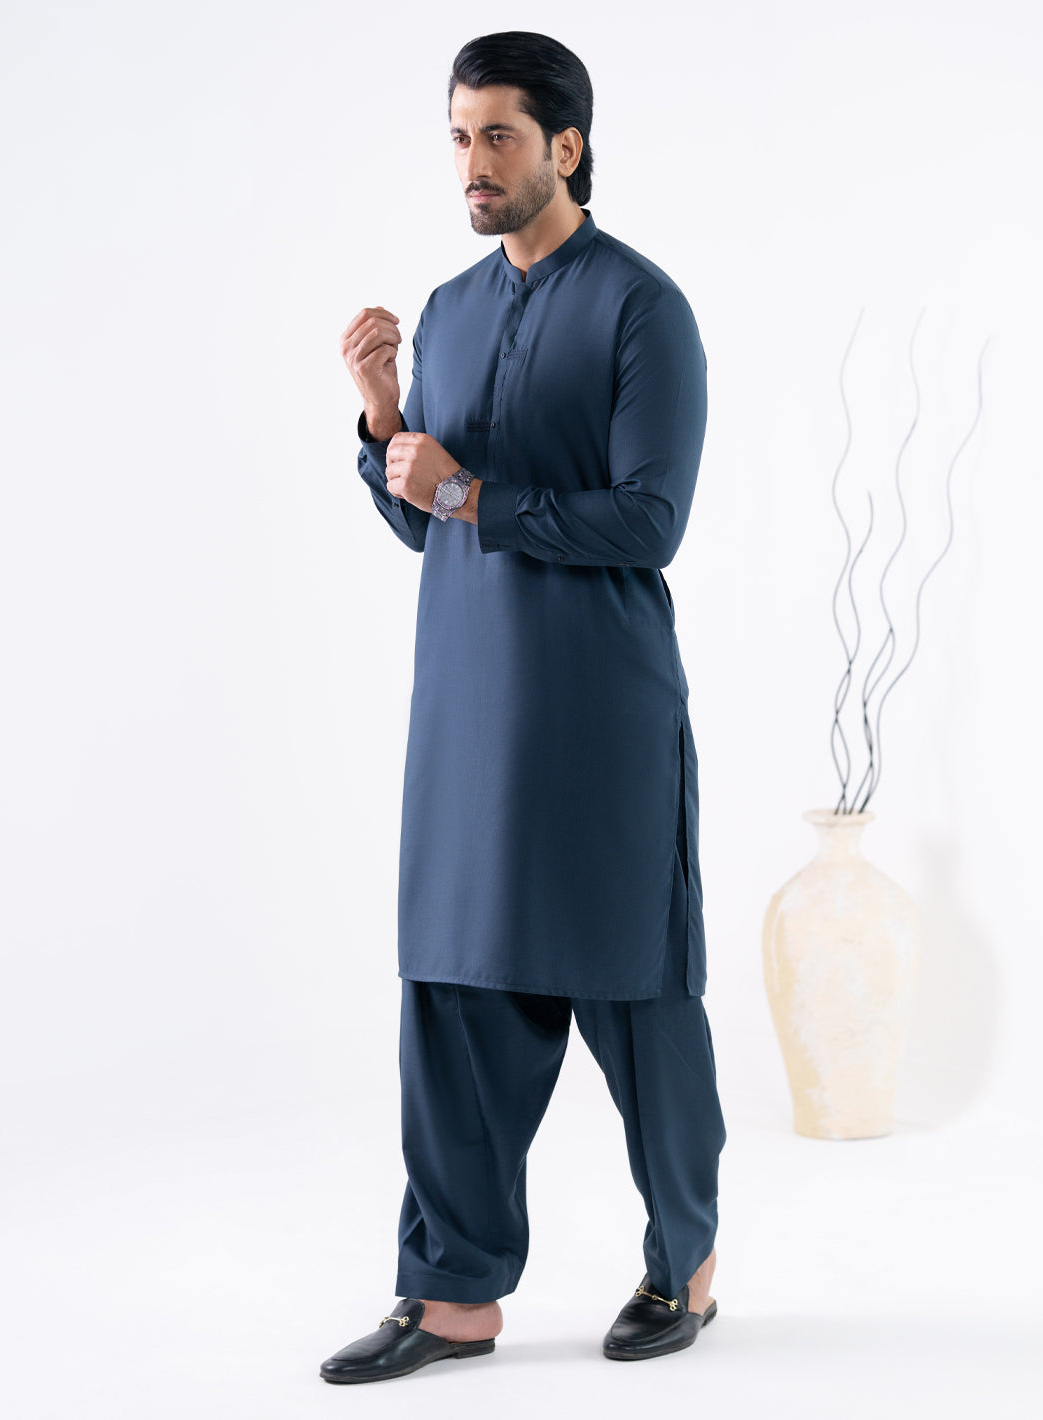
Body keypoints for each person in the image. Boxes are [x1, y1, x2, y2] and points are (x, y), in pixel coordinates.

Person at [323, 30, 726, 1385]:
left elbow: (650, 522)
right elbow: (425, 520)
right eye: (458, 136)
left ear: (566, 145)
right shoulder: (447, 308)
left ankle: (685, 1259)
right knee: (450, 982)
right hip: (465, 704)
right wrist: (383, 420)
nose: (472, 163)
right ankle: (451, 1296)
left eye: (498, 134)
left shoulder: (641, 308)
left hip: (594, 704)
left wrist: (468, 491)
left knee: (630, 983)